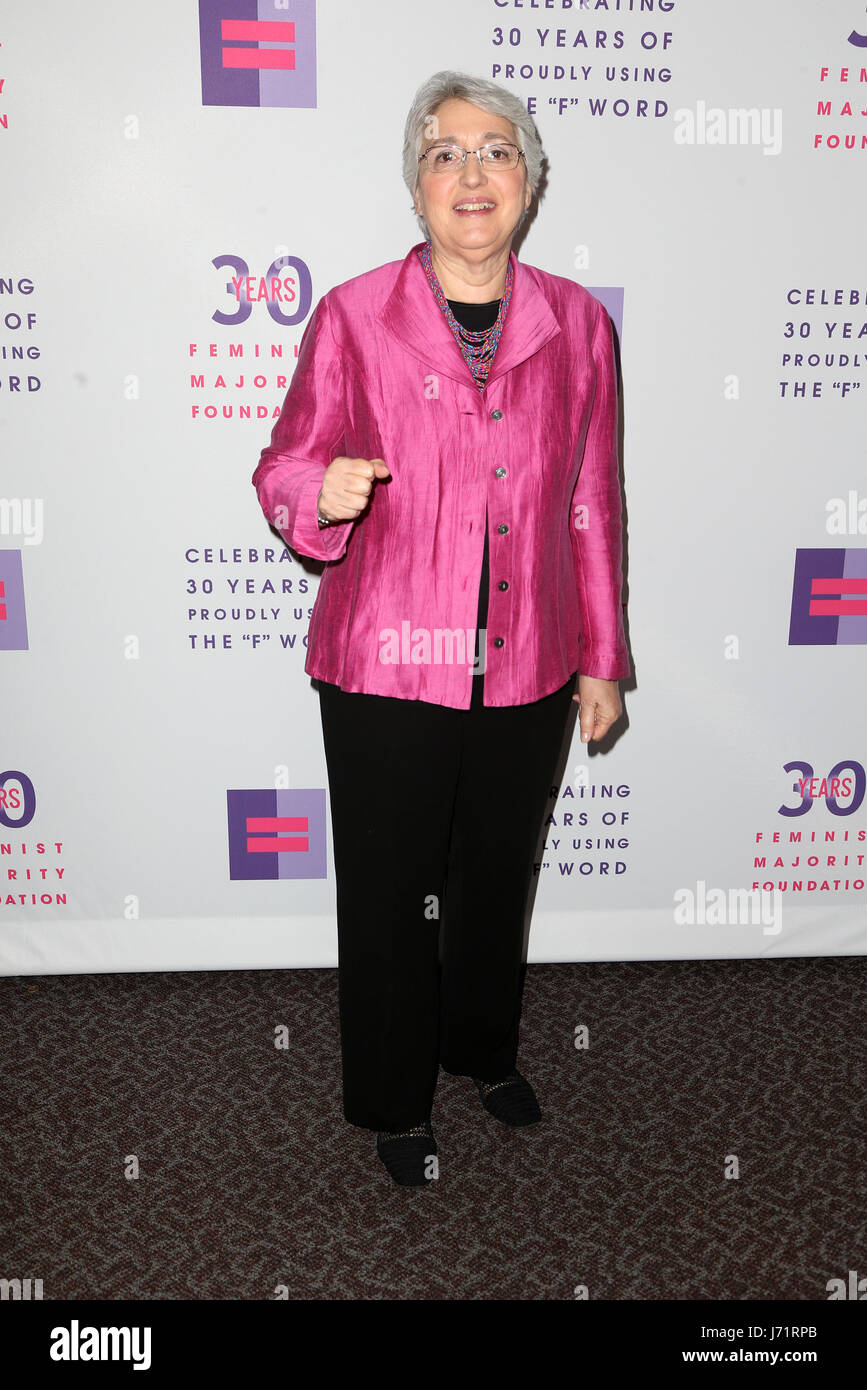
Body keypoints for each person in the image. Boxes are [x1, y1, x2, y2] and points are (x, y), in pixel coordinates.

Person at [252, 70, 630, 1186]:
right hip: (383, 662)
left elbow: (591, 501)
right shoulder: (355, 315)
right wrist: (315, 493)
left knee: (494, 873)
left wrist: (603, 656)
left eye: (497, 150)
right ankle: (391, 1098)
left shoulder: (580, 323)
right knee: (390, 887)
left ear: (531, 180)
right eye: (447, 153)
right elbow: (285, 462)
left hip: (531, 655)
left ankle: (480, 1049)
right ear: (416, 188)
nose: (473, 173)